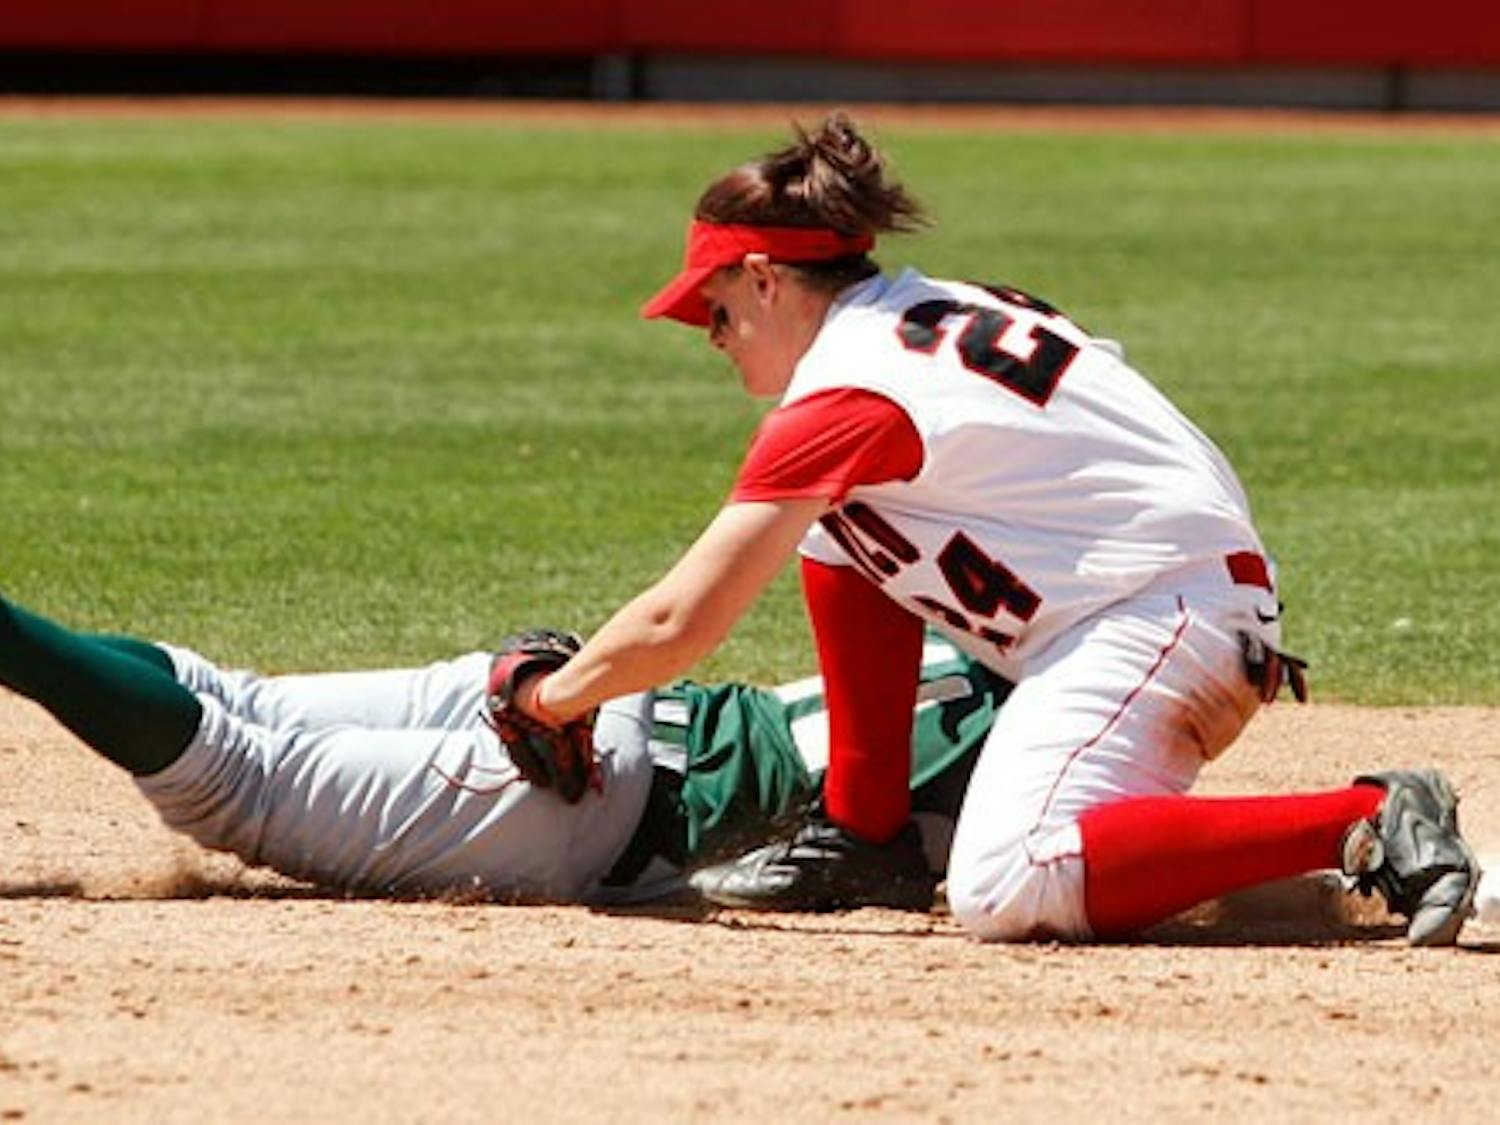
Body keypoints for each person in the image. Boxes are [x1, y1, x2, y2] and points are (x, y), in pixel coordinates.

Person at [505, 112, 1481, 945]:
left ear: (763, 278)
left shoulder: (850, 390)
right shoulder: (929, 314)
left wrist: (554, 701)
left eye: (715, 314)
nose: (713, 342)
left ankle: (1370, 818)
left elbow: (684, 619)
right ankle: (864, 830)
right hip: (1148, 602)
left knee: (1008, 880)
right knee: (836, 522)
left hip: (1155, 617)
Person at [0, 591, 1004, 903]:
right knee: (236, 785)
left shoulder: (984, 640)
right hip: (596, 808)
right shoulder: (1048, 749)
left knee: (225, 694)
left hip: (618, 700)